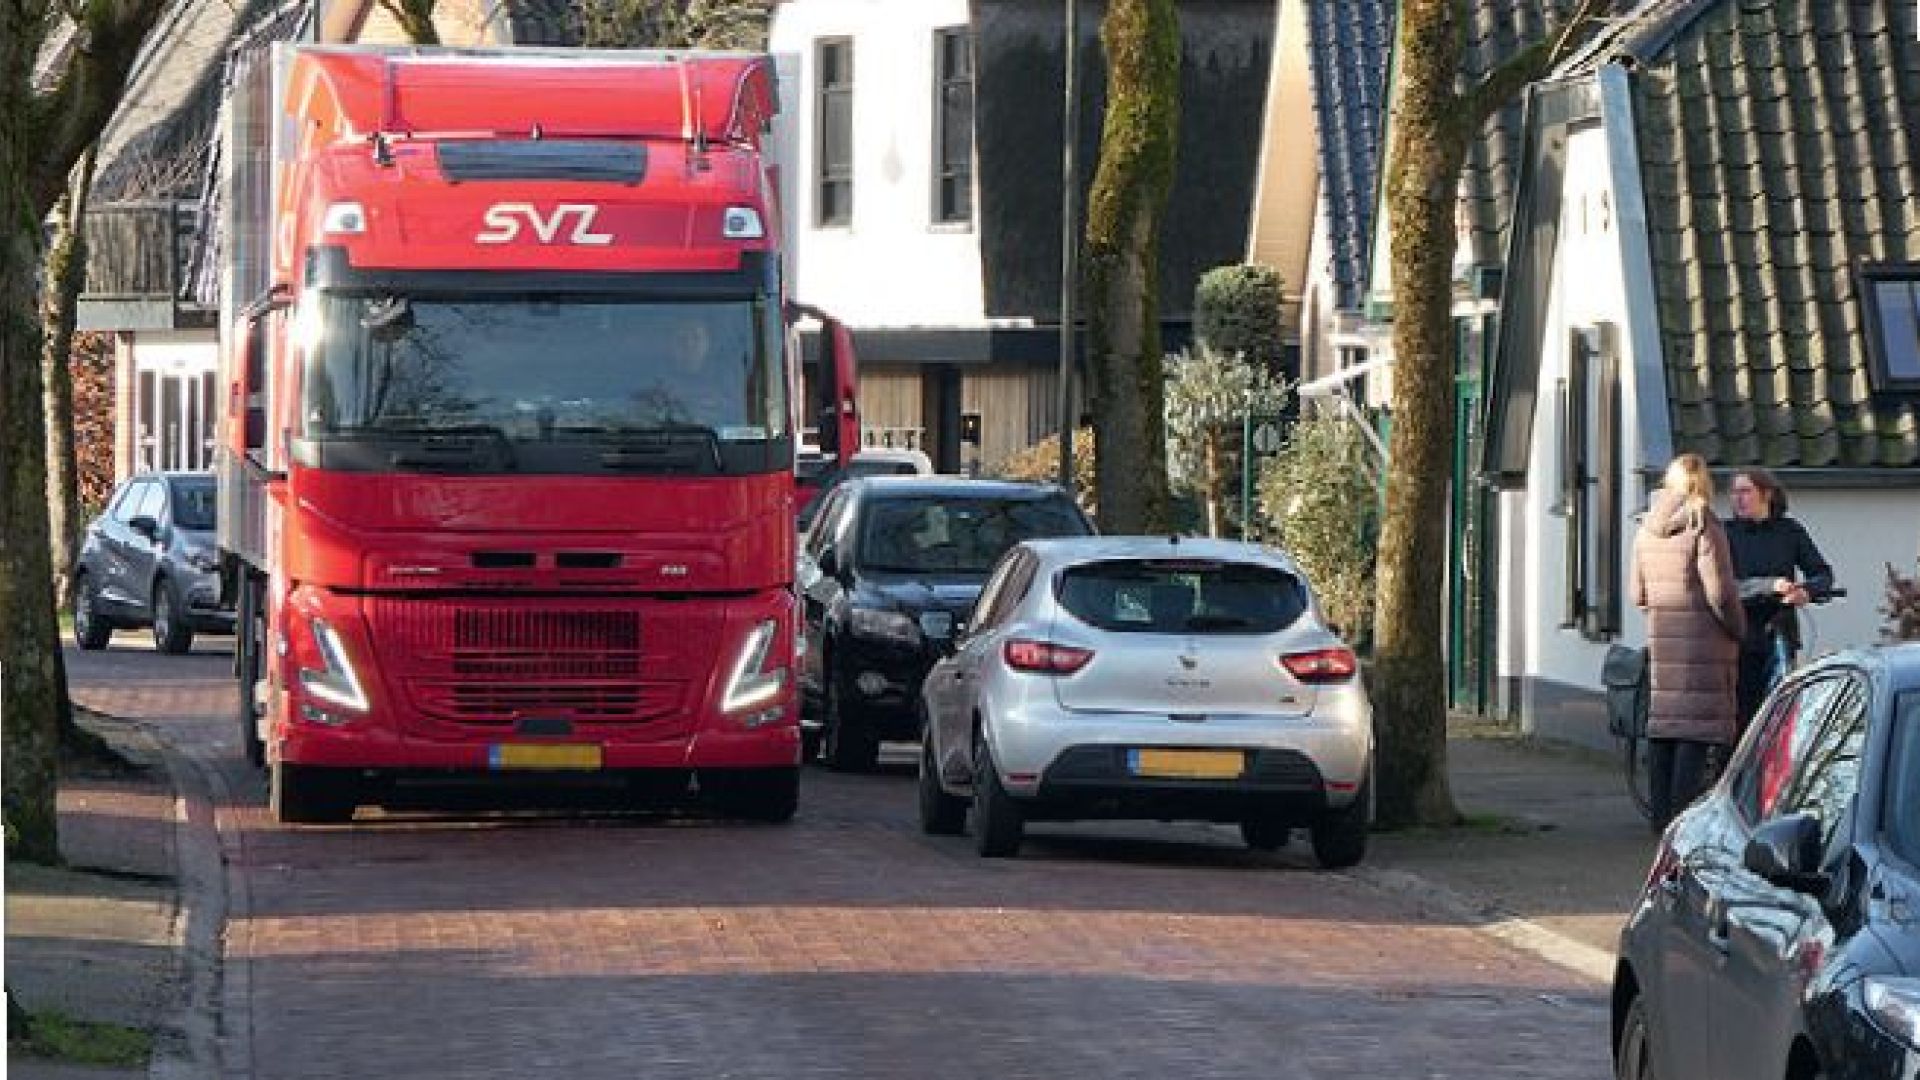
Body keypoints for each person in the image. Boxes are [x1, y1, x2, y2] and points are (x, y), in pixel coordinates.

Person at [1630, 453, 1747, 831]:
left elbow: (1637, 593)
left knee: (1665, 729)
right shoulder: (1704, 525)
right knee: (1694, 735)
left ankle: (1659, 819)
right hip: (1704, 647)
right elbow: (1721, 594)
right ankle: (1681, 824)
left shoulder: (1645, 528)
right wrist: (1738, 628)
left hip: (1665, 644)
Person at [1726, 467, 1833, 734]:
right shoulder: (1726, 533)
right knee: (1743, 719)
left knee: (1781, 717)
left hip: (1780, 635)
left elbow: (1823, 574)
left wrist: (1806, 592)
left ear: (1767, 494)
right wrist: (1770, 585)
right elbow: (1724, 587)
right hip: (1739, 638)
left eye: (1745, 491)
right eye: (1734, 492)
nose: (1738, 498)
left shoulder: (1790, 531)